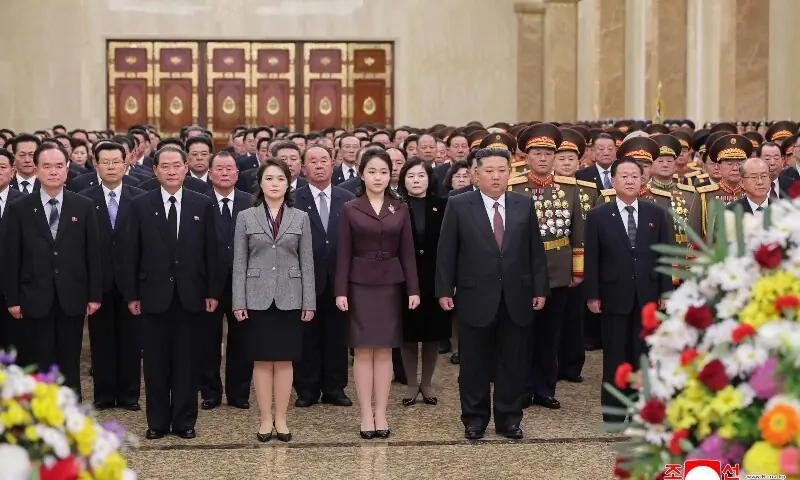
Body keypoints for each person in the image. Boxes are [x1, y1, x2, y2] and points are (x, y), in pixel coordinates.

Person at [435, 147, 549, 440]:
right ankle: (474, 419)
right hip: (475, 295)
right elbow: (447, 252)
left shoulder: (523, 204)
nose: (496, 176)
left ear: (510, 173)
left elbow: (535, 251)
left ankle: (509, 419)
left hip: (517, 294)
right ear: (475, 174)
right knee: (474, 363)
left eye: (502, 170)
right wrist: (444, 289)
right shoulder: (459, 205)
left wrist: (539, 287)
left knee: (512, 361)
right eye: (489, 170)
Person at [124, 146, 223, 440]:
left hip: (191, 296)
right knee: (155, 364)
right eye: (164, 166)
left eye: (176, 166)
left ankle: (184, 421)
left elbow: (212, 253)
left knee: (187, 363)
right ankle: (156, 422)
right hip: (152, 297)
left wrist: (213, 292)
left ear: (185, 169)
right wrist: (131, 295)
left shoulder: (201, 204)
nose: (170, 171)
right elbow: (129, 253)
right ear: (155, 170)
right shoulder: (140, 204)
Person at [4, 143, 102, 398]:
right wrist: (12, 299)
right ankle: (43, 415)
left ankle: (72, 414)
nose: (53, 172)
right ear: (36, 169)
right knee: (40, 360)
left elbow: (93, 253)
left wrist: (94, 295)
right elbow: (12, 256)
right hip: (34, 295)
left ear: (67, 170)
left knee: (70, 360)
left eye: (59, 166)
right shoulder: (19, 208)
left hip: (73, 295)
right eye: (46, 166)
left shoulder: (83, 205)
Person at [335, 148, 420, 439]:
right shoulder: (350, 208)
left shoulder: (400, 208)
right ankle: (365, 415)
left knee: (384, 350)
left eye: (383, 172)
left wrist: (413, 288)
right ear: (362, 174)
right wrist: (340, 290)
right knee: (362, 351)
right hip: (359, 285)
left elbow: (408, 252)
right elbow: (343, 253)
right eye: (372, 171)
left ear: (390, 175)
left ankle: (381, 414)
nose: (378, 177)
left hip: (389, 286)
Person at [232, 159, 316, 443]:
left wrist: (309, 302)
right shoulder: (246, 216)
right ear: (260, 183)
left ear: (288, 183)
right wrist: (238, 301)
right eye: (269, 178)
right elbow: (239, 262)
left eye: (280, 178)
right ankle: (265, 419)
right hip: (256, 296)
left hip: (290, 297)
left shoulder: (300, 217)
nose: (275, 184)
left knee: (284, 362)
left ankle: (281, 418)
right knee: (261, 361)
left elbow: (307, 262)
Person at [583, 157, 672, 422]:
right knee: (614, 355)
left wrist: (664, 292)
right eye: (624, 176)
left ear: (642, 180)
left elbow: (663, 256)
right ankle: (614, 410)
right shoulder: (598, 215)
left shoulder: (655, 213)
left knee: (642, 354)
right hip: (613, 295)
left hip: (647, 295)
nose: (630, 180)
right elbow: (592, 258)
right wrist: (593, 294)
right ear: (613, 181)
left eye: (635, 175)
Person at [509, 124, 587, 411]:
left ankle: (545, 389)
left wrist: (577, 270)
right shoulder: (513, 187)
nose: (542, 158)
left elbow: (578, 232)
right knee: (523, 332)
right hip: (523, 269)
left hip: (557, 268)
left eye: (548, 153)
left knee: (551, 333)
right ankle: (522, 388)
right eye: (537, 153)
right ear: (526, 156)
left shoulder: (568, 189)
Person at [81, 142, 145, 411]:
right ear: (95, 163)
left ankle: (129, 395)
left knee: (132, 341)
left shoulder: (140, 197)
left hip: (132, 282)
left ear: (126, 163)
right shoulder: (83, 199)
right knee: (101, 340)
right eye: (104, 161)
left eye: (116, 161)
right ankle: (104, 395)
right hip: (99, 281)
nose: (110, 166)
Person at [293, 145, 355, 408]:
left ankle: (334, 387)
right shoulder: (293, 199)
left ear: (333, 165)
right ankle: (306, 389)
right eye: (313, 162)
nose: (319, 166)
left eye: (324, 161)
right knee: (306, 337)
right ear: (303, 168)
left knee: (337, 336)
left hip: (339, 279)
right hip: (305, 280)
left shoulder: (348, 198)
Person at [199, 151, 253, 411]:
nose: (223, 173)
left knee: (242, 340)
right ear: (210, 174)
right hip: (207, 284)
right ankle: (210, 392)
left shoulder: (250, 202)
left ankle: (239, 393)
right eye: (218, 169)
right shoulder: (198, 202)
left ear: (237, 173)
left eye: (228, 169)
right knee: (208, 341)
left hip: (242, 283)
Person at [396, 157, 448, 406]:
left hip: (434, 278)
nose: (416, 180)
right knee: (408, 334)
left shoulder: (443, 205)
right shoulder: (395, 206)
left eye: (421, 176)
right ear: (403, 180)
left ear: (430, 179)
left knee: (432, 334)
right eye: (411, 176)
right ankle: (411, 384)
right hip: (403, 279)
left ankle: (427, 383)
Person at [0, 149, 24, 356]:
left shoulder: (25, 203)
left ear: (12, 171)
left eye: (2, 167)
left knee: (14, 351)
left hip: (15, 288)